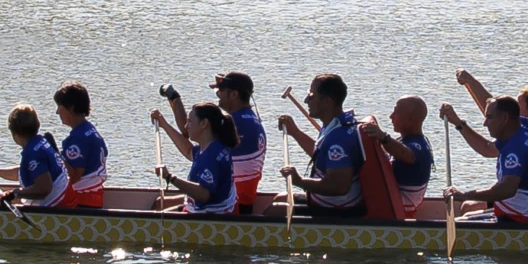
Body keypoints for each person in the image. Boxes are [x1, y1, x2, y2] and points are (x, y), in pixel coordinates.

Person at [455, 71, 528, 219]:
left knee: (468, 207)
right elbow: (496, 112)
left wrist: (470, 82)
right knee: (468, 206)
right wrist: (470, 83)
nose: (514, 110)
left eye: (518, 105)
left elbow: (496, 121)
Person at [442, 96, 528, 223]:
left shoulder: (517, 148)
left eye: (489, 117)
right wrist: (458, 122)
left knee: (457, 224)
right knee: (467, 209)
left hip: (522, 220)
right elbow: (486, 148)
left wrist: (464, 195)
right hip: (518, 212)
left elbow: (507, 190)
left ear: (505, 118)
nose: (485, 123)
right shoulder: (518, 132)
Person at [164, 72, 267, 211]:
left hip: (229, 203)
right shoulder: (250, 118)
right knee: (161, 202)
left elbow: (187, 133)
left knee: (160, 204)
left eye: (220, 91)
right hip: (235, 196)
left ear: (234, 95)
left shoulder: (236, 124)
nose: (217, 95)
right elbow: (191, 146)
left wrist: (174, 99)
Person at [278, 73, 364, 218]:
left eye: (311, 96)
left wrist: (299, 181)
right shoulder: (339, 122)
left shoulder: (339, 139)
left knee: (275, 210)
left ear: (327, 101)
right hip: (330, 202)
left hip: (339, 210)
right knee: (280, 198)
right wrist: (295, 132)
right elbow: (322, 154)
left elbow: (339, 187)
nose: (306, 100)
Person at [151, 102, 238, 215]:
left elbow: (204, 195)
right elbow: (188, 151)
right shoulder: (212, 146)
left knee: (156, 216)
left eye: (190, 121)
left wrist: (169, 177)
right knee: (159, 203)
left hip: (210, 215)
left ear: (204, 124)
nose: (186, 126)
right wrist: (163, 124)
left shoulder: (211, 156)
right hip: (204, 207)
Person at [360, 95, 435, 219]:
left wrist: (383, 137)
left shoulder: (419, 146)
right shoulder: (404, 140)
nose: (391, 116)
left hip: (400, 210)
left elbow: (408, 155)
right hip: (392, 203)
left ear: (410, 118)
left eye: (396, 112)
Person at [0, 104, 67, 208]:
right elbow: (27, 172)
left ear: (14, 133)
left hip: (54, 208)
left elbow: (44, 189)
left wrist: (14, 193)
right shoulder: (40, 142)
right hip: (58, 200)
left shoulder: (33, 153)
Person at [53, 81, 109, 208]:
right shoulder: (90, 130)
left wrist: (55, 153)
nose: (57, 112)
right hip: (94, 196)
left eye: (59, 107)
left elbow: (73, 176)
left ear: (71, 107)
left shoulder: (78, 139)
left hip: (80, 201)